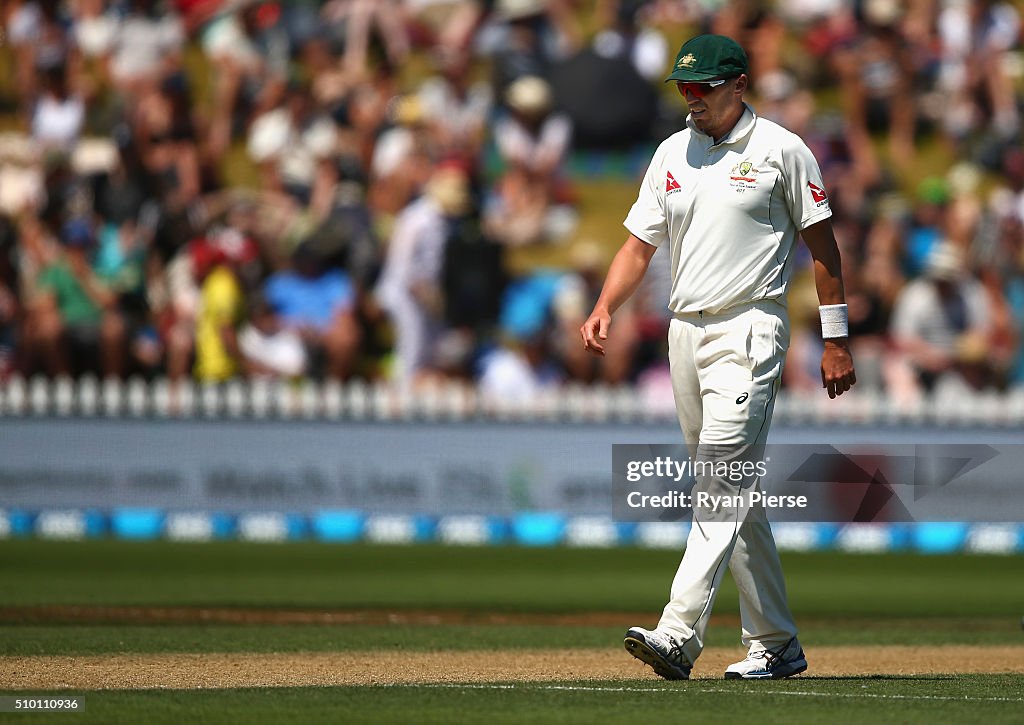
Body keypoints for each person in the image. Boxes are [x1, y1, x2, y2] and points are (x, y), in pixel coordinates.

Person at [580, 35, 856, 680]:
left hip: (750, 327)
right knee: (735, 492)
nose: (692, 99)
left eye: (703, 86)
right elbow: (636, 246)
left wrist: (836, 339)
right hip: (685, 331)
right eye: (684, 87)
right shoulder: (672, 151)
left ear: (738, 84)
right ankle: (778, 644)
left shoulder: (782, 150)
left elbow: (824, 250)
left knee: (720, 479)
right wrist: (604, 306)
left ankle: (679, 632)